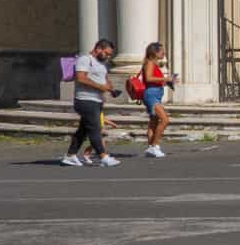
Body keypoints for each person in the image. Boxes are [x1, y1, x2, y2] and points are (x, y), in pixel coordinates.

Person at [63, 39, 120, 167]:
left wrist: (111, 89)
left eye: (110, 54)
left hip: (97, 101)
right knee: (95, 129)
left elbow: (105, 80)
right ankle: (103, 157)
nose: (108, 56)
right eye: (106, 53)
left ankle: (70, 156)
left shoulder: (101, 63)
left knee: (83, 131)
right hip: (85, 100)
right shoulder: (84, 59)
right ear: (98, 49)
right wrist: (100, 87)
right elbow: (81, 78)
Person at [134, 42, 175, 157]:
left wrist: (167, 82)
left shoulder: (153, 63)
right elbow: (148, 78)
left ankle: (150, 148)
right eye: (162, 51)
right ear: (155, 52)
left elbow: (153, 80)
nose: (164, 53)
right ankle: (155, 146)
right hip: (151, 95)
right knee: (165, 119)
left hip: (155, 93)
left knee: (154, 122)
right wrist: (165, 78)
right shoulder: (150, 63)